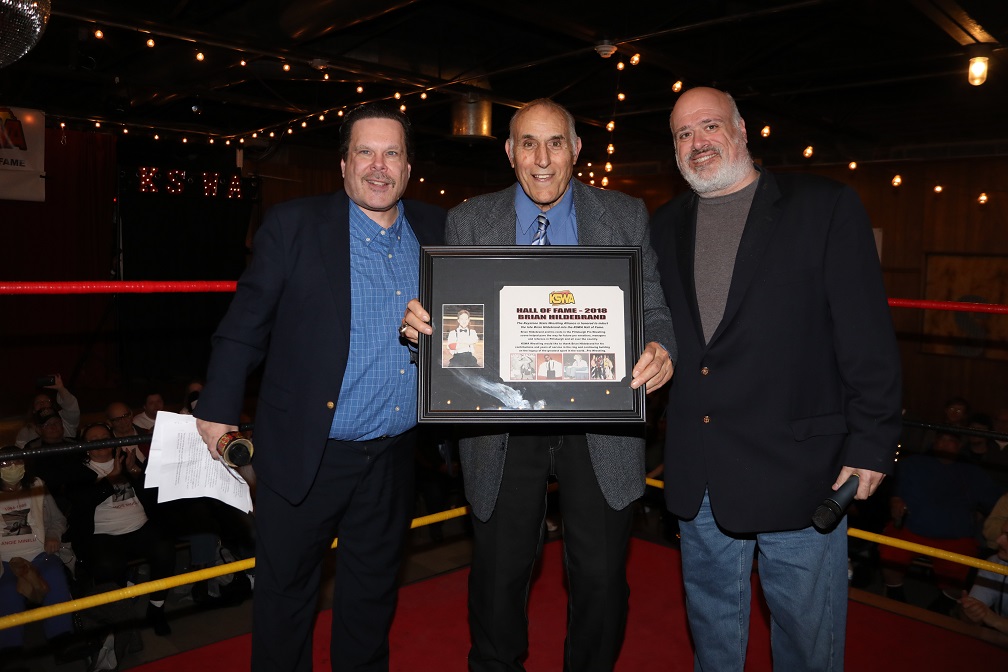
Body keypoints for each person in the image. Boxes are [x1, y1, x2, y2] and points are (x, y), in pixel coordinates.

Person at [402, 98, 675, 672]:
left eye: (555, 143)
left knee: (601, 578)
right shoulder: (470, 221)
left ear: (576, 150)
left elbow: (651, 308)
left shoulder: (625, 214)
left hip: (600, 418)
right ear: (510, 152)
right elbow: (459, 325)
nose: (543, 159)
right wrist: (425, 330)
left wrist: (661, 348)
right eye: (528, 143)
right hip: (501, 421)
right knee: (498, 576)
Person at [650, 86, 902, 671]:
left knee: (807, 644)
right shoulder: (662, 226)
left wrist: (872, 444)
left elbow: (867, 338)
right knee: (712, 639)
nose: (697, 142)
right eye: (683, 134)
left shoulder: (825, 207)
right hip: (701, 476)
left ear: (742, 130)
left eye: (709, 126)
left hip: (802, 473)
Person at [194, 102, 446, 672]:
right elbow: (244, 325)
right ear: (343, 164)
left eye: (392, 154)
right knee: (285, 600)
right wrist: (216, 408)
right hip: (307, 449)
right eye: (365, 152)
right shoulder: (294, 225)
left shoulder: (438, 228)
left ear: (408, 168)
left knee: (371, 599)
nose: (378, 166)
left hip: (395, 455)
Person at [0, 445, 74, 653]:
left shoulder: (36, 486)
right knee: (7, 591)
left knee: (55, 578)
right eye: (5, 462)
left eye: (17, 461)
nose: (12, 466)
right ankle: (10, 650)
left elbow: (57, 519)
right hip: (4, 559)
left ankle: (61, 640)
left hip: (39, 552)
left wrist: (53, 535)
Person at [960, 519, 1008, 634]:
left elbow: (990, 618)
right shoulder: (995, 564)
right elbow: (968, 620)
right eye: (1002, 533)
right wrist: (971, 613)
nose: (998, 540)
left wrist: (996, 621)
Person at [14, 374, 80, 448]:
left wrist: (61, 388)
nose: (42, 403)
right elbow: (21, 451)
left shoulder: (65, 420)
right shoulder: (27, 431)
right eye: (38, 402)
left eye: (46, 401)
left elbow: (71, 407)